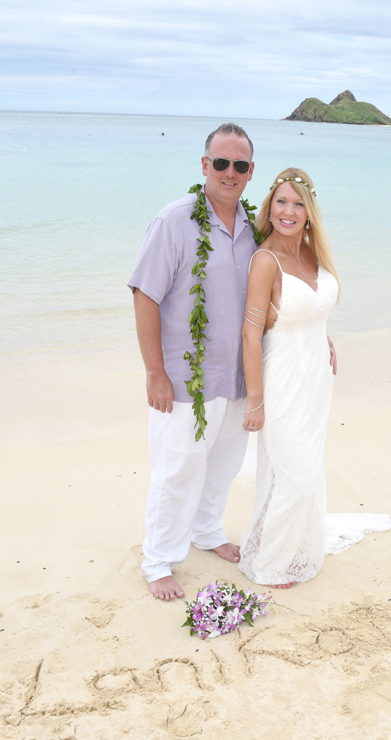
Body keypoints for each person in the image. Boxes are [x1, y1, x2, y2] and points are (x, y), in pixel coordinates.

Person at [128, 123, 258, 601]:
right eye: (220, 163)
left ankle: (207, 532)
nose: (229, 172)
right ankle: (158, 559)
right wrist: (154, 372)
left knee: (223, 465)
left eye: (239, 165)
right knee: (177, 471)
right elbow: (145, 296)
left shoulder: (254, 227)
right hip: (185, 381)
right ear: (204, 165)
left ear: (249, 173)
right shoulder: (174, 221)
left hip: (237, 376)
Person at [238, 168, 340, 589]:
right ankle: (273, 560)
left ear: (309, 212)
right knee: (292, 474)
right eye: (281, 201)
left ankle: (295, 548)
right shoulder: (266, 261)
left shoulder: (315, 256)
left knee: (306, 471)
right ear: (270, 207)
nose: (288, 211)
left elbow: (310, 308)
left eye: (298, 203)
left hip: (316, 377)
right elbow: (250, 333)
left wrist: (325, 335)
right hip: (281, 381)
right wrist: (256, 401)